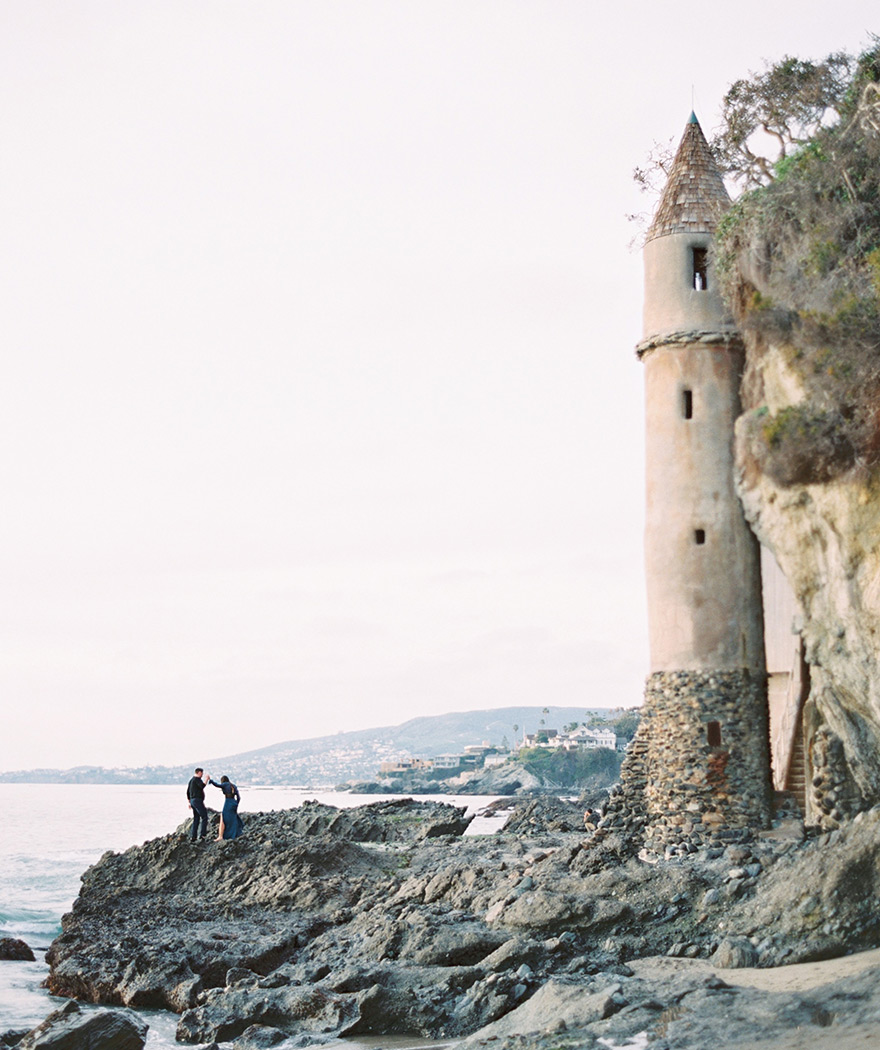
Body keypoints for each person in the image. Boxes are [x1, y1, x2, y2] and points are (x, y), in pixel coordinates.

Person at [208, 774, 243, 840]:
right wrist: (236, 804)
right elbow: (239, 797)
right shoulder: (233, 786)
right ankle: (234, 834)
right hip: (234, 803)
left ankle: (220, 836)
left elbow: (217, 785)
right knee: (232, 819)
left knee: (223, 817)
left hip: (228, 802)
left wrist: (210, 780)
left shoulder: (225, 784)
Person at [186, 767, 209, 842]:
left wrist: (190, 802)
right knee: (204, 816)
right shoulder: (197, 779)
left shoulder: (191, 780)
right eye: (201, 773)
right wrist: (207, 779)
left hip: (192, 801)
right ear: (199, 772)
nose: (202, 775)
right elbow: (202, 786)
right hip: (197, 800)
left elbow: (188, 792)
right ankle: (203, 835)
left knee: (196, 818)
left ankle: (194, 836)